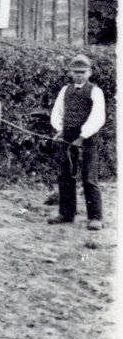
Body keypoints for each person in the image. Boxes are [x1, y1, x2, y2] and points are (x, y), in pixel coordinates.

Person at [49, 53, 108, 231]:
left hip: (87, 138)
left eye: (82, 72)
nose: (79, 75)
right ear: (70, 73)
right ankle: (66, 214)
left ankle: (95, 217)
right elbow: (57, 112)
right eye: (75, 72)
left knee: (89, 177)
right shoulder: (65, 90)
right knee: (65, 175)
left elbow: (98, 117)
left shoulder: (95, 92)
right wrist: (59, 130)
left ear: (89, 72)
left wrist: (82, 137)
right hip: (67, 137)